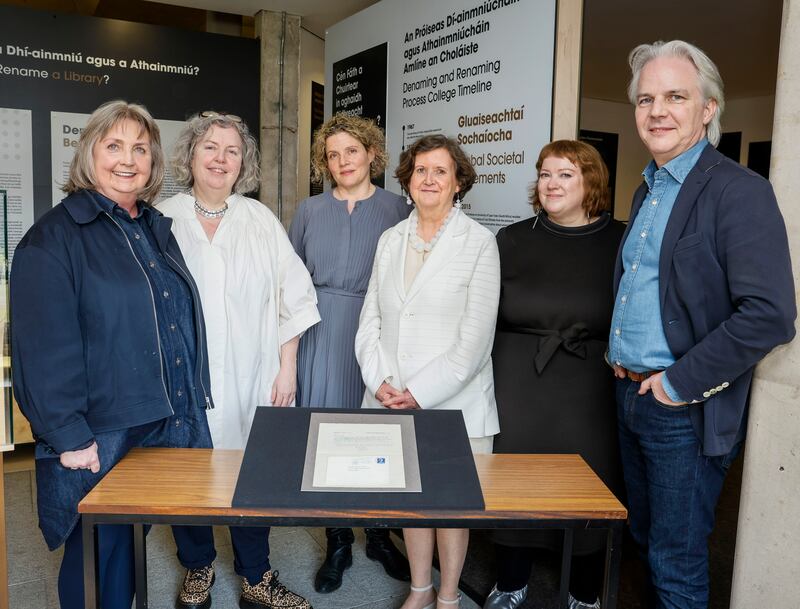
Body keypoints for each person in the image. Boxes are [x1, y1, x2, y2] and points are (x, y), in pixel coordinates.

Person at [610, 40, 795, 609]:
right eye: (646, 99)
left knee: (677, 563)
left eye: (675, 96)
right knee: (643, 539)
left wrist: (677, 385)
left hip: (681, 411)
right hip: (629, 394)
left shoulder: (739, 191)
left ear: (708, 108)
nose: (657, 110)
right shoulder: (649, 188)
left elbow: (771, 315)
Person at [10, 100, 214, 609]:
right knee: (96, 557)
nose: (129, 159)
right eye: (115, 145)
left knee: (127, 546)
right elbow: (41, 346)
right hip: (99, 430)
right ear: (89, 153)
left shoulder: (151, 227)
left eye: (140, 148)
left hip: (161, 418)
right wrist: (69, 436)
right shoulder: (54, 238)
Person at [159, 111, 320, 609]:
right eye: (211, 147)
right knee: (188, 475)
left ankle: (255, 576)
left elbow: (291, 296)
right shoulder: (162, 219)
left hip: (254, 375)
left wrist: (287, 366)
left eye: (232, 151)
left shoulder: (259, 220)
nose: (221, 159)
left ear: (242, 163)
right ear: (190, 155)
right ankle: (198, 567)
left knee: (253, 474)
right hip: (183, 382)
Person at [355, 134, 501, 609]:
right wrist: (378, 380)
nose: (429, 179)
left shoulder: (479, 244)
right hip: (391, 397)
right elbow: (370, 319)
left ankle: (450, 596)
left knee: (451, 507)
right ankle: (420, 587)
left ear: (458, 182)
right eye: (421, 170)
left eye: (441, 170)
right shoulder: (389, 240)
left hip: (454, 403)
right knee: (412, 503)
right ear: (408, 180)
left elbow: (474, 343)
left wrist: (417, 392)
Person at [483, 140, 626, 609]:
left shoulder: (621, 241)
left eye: (566, 174)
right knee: (516, 477)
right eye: (545, 174)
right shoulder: (512, 239)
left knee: (589, 480)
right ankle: (510, 582)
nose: (552, 183)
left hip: (590, 381)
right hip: (518, 378)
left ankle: (583, 593)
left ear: (591, 182)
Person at [288, 113, 411, 594]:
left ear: (372, 155)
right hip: (320, 332)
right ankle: (337, 540)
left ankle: (379, 536)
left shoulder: (398, 209)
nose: (343, 161)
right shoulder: (309, 211)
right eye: (333, 154)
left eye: (352, 151)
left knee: (379, 437)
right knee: (327, 438)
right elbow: (292, 282)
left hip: (375, 332)